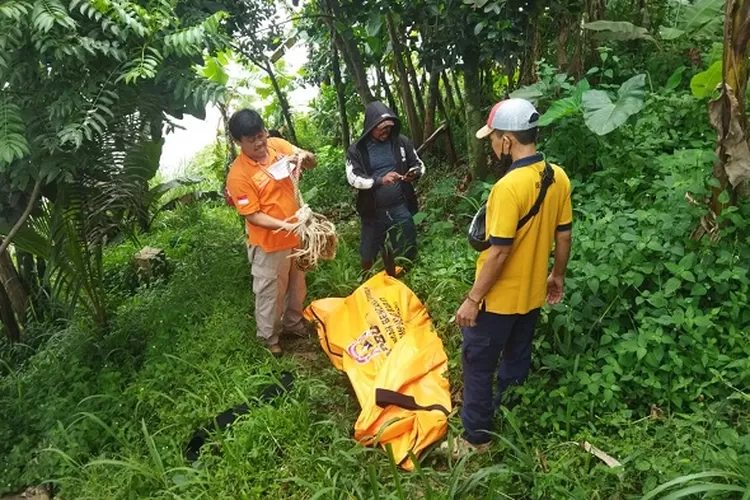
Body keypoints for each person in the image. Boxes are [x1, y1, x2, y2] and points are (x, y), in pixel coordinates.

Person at [452, 98, 573, 454]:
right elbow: (563, 235)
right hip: (533, 293)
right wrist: (557, 276)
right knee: (517, 356)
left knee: (477, 363)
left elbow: (499, 251)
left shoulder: (507, 188)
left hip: (498, 300)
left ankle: (476, 438)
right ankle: (511, 416)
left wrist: (473, 300)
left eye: (492, 138)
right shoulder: (558, 176)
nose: (491, 144)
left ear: (507, 140)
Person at [225, 109, 317, 357]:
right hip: (268, 245)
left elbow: (310, 161)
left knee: (297, 285)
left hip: (296, 237)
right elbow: (252, 215)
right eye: (251, 140)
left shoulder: (277, 146)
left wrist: (304, 157)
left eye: (261, 135)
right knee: (270, 293)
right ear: (238, 142)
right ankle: (270, 338)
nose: (259, 143)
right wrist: (287, 225)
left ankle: (293, 324)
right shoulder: (239, 175)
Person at [346, 101, 425, 275]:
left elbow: (418, 163)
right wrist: (380, 180)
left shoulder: (401, 142)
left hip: (399, 206)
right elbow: (353, 178)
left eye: (389, 128)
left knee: (406, 246)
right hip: (373, 210)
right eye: (381, 128)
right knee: (368, 253)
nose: (386, 131)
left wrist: (414, 173)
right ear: (371, 127)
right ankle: (369, 281)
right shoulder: (357, 150)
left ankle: (404, 279)